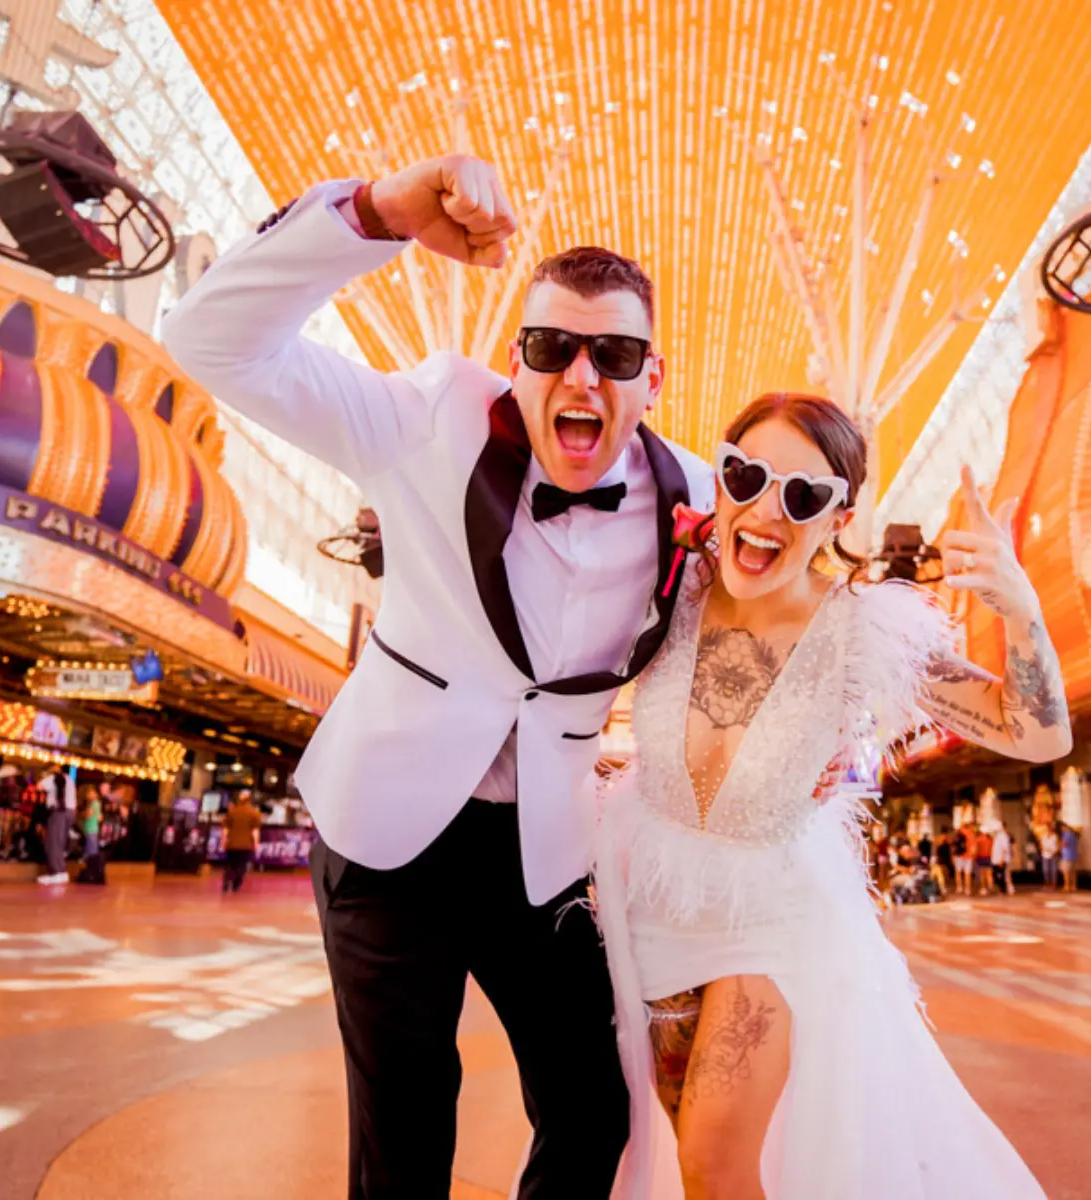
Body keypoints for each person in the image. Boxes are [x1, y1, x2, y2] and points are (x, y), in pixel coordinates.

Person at [163, 151, 711, 1198]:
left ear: (654, 376)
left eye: (614, 353)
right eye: (552, 347)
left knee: (594, 1111)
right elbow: (206, 339)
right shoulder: (425, 416)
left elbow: (757, 635)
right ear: (518, 360)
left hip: (543, 852)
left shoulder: (689, 499)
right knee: (406, 1130)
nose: (582, 377)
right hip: (386, 835)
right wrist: (379, 213)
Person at [594, 393, 1071, 1197]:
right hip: (651, 910)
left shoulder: (861, 631)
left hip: (775, 923)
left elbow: (1036, 733)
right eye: (747, 476)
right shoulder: (665, 586)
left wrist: (1018, 604)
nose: (766, 510)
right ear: (721, 479)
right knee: (684, 1149)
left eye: (803, 495)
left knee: (713, 1158)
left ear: (839, 515)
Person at [37, 768, 76, 884]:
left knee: (53, 843)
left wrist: (45, 776)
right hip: (69, 813)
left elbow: (39, 786)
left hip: (58, 812)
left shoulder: (53, 778)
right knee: (60, 842)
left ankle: (57, 872)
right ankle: (60, 872)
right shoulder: (70, 780)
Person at [222, 790, 262, 894]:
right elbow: (255, 831)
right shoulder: (254, 813)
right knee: (241, 866)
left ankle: (226, 883)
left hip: (232, 844)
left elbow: (226, 829)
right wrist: (256, 844)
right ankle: (236, 885)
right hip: (246, 845)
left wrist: (223, 841)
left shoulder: (232, 811)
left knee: (230, 864)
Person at [992, 824, 1015, 896]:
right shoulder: (998, 837)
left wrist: (1002, 859)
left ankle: (1007, 889)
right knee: (1001, 875)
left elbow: (1004, 849)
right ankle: (1006, 889)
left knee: (1004, 875)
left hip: (1002, 860)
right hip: (998, 860)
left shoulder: (1003, 836)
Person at [1060, 822, 1081, 893]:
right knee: (1073, 872)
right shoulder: (1073, 834)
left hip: (1067, 856)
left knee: (1066, 872)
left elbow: (1065, 844)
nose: (1061, 830)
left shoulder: (1067, 834)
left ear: (1064, 827)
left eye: (1062, 828)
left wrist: (1060, 846)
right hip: (1074, 855)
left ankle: (1067, 886)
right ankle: (1074, 886)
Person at [1040, 824, 1061, 889]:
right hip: (1045, 855)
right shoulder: (1043, 836)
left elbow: (1058, 845)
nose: (1048, 829)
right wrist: (1044, 849)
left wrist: (1055, 852)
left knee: (1053, 870)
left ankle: (1053, 884)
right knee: (1045, 870)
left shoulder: (1055, 836)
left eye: (1050, 828)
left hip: (1053, 855)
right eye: (1047, 828)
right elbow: (1041, 845)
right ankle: (1047, 883)